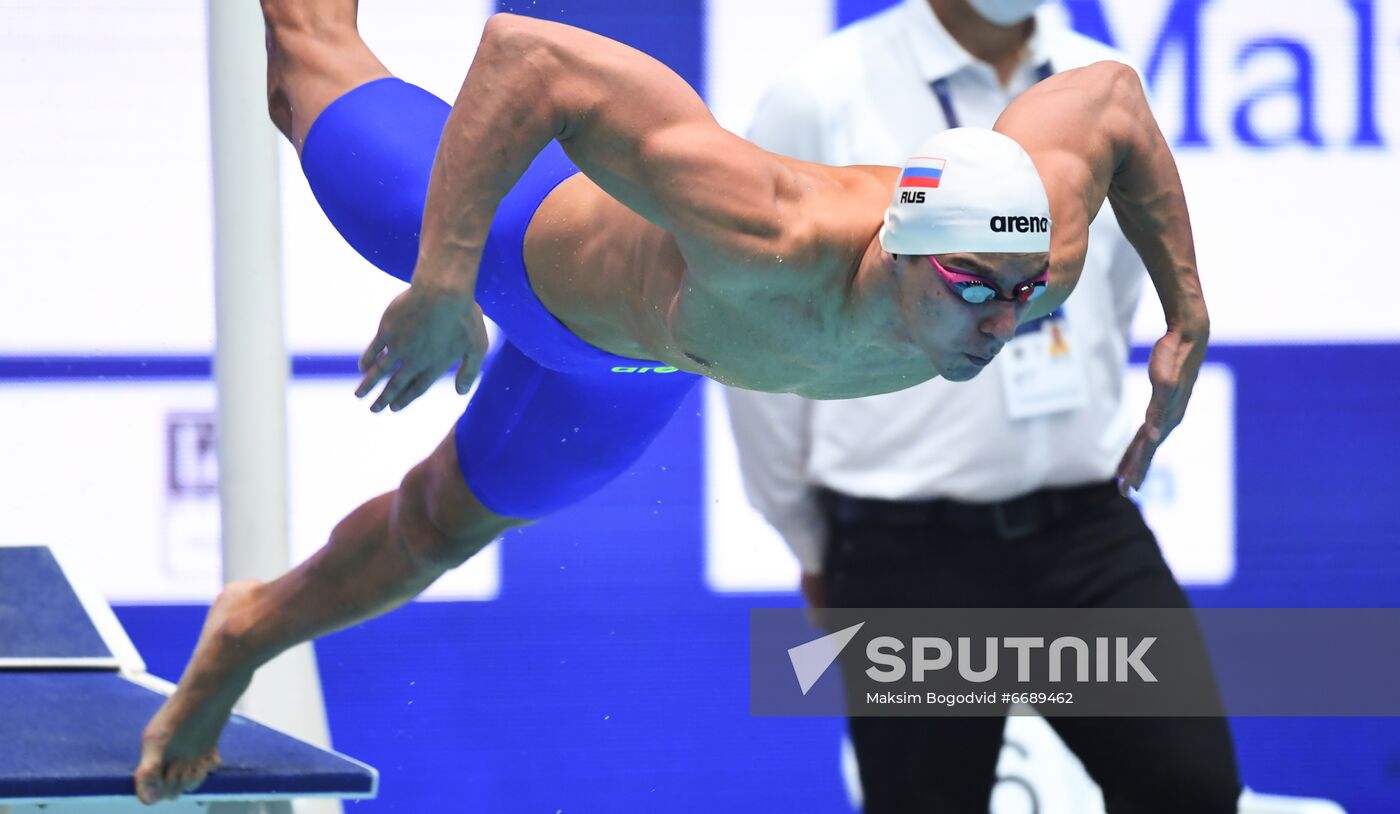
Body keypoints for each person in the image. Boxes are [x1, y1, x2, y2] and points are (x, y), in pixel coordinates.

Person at [133, 0, 1210, 803]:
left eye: (1022, 294)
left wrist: (1184, 314)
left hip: (634, 373)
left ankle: (240, 636)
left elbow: (1109, 100)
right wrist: (443, 283)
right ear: (897, 250)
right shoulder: (767, 227)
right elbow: (528, 57)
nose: (1000, 323)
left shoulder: (1033, 249)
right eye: (973, 290)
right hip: (515, 250)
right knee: (304, 69)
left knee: (433, 530)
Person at [724, 0, 1238, 812]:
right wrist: (813, 541)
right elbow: (760, 340)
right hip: (909, 550)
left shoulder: (1094, 90)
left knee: (1194, 789)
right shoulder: (822, 94)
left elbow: (1112, 287)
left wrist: (1185, 314)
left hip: (1084, 532)